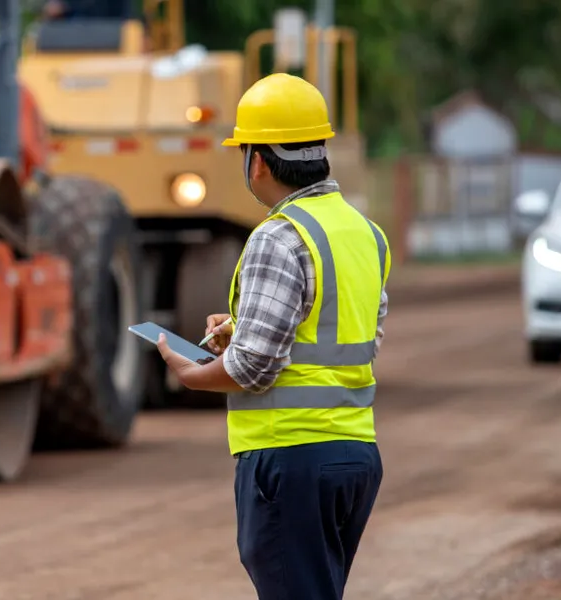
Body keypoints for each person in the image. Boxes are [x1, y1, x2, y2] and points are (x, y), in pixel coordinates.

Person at [154, 73, 390, 600]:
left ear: (257, 160)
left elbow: (252, 368)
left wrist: (191, 374)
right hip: (353, 455)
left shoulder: (277, 235)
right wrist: (245, 326)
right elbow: (349, 334)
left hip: (290, 456)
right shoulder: (364, 232)